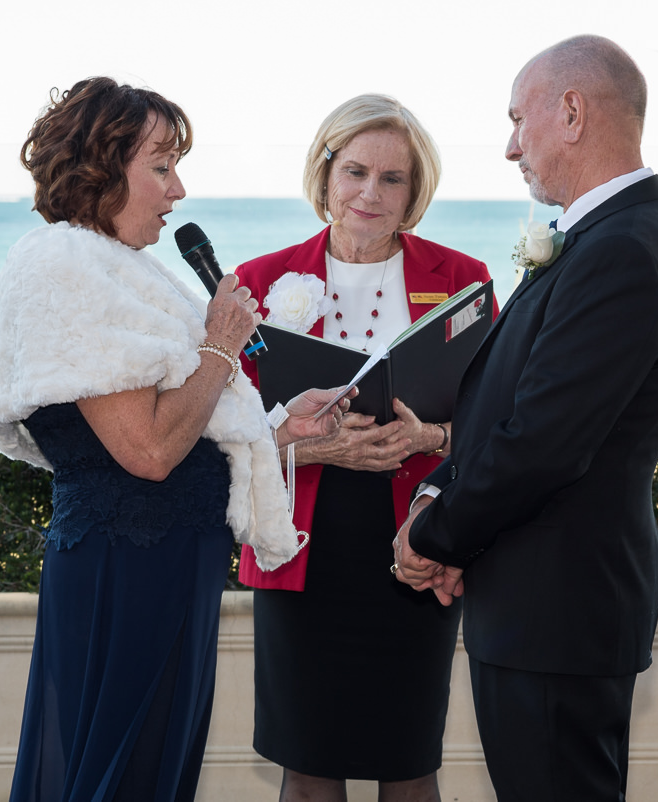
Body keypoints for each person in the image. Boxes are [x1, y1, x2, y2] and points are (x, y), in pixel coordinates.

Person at [0, 77, 351, 802]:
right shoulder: (68, 266)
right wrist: (221, 344)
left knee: (151, 771)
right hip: (128, 572)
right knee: (122, 774)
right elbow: (147, 453)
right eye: (161, 166)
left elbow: (183, 432)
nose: (177, 191)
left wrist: (277, 432)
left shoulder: (115, 266)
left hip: (166, 563)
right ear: (99, 164)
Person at [393, 36, 658, 801]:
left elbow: (544, 444)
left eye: (516, 120)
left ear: (572, 112)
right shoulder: (607, 237)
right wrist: (439, 492)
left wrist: (431, 535)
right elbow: (508, 406)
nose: (509, 147)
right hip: (543, 607)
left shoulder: (625, 250)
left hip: (558, 614)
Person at [234, 94, 494, 802]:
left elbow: (503, 423)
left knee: (408, 762)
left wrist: (430, 435)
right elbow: (224, 432)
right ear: (324, 177)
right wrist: (314, 448)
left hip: (415, 544)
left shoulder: (463, 282)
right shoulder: (257, 284)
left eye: (393, 179)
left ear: (416, 191)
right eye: (354, 171)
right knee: (307, 763)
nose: (369, 194)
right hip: (301, 550)